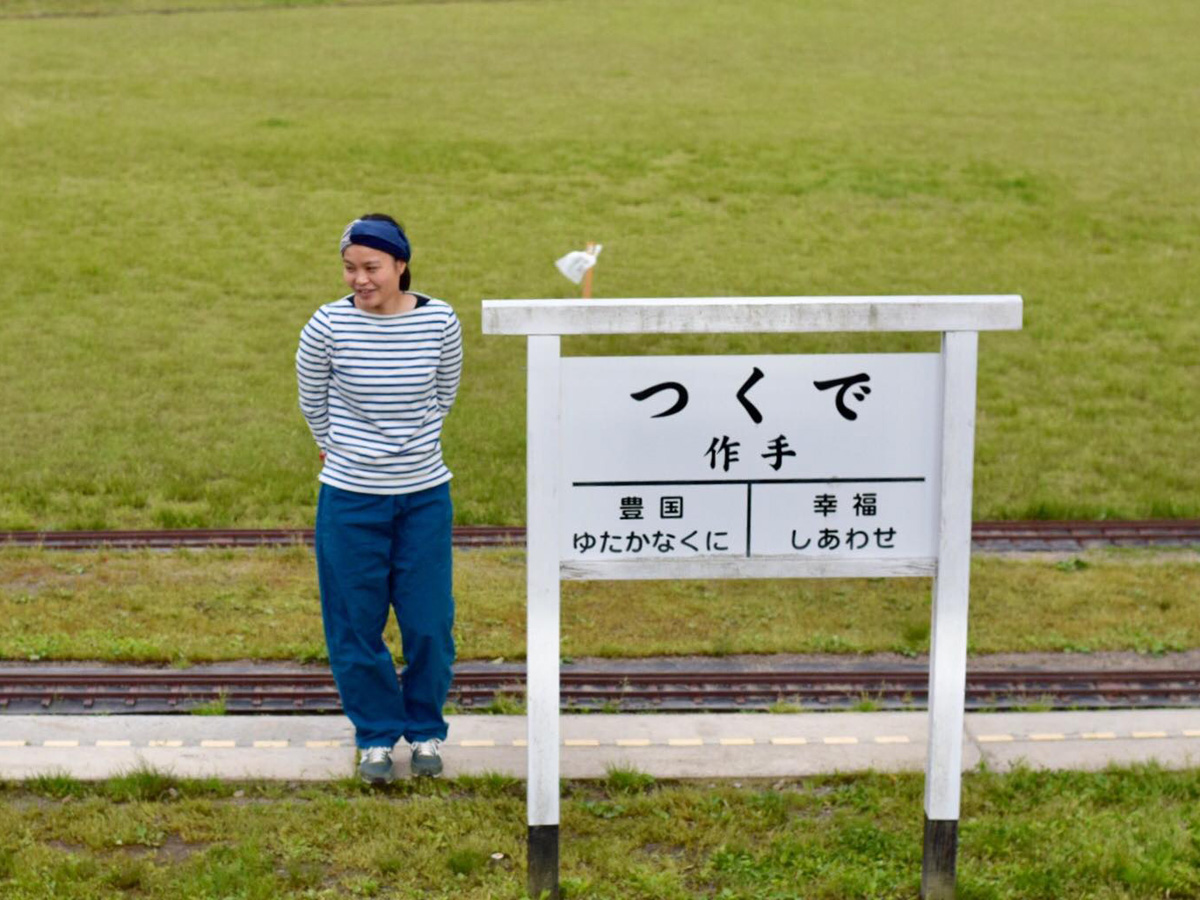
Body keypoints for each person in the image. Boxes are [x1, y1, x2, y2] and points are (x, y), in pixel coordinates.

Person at [296, 213, 463, 783]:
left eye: (371, 267)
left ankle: (425, 732)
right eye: (349, 268)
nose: (359, 279)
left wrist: (406, 451)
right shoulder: (325, 326)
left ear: (400, 265)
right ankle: (373, 736)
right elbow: (312, 400)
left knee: (428, 622)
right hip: (349, 499)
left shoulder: (440, 321)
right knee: (353, 623)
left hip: (423, 498)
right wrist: (339, 448)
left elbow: (444, 395)